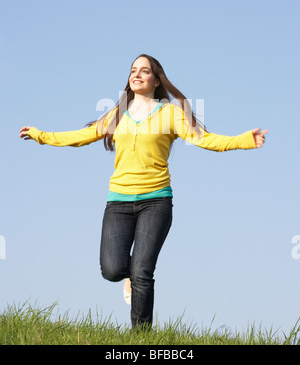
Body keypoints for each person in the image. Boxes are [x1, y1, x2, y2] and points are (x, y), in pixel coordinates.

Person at [19, 54, 268, 329]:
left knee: (142, 271)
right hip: (118, 202)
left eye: (144, 71)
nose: (137, 74)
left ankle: (141, 337)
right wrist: (41, 135)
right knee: (112, 269)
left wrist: (244, 140)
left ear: (156, 79)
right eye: (133, 70)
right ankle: (128, 280)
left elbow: (205, 140)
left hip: (156, 201)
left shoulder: (170, 113)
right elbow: (81, 136)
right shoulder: (117, 114)